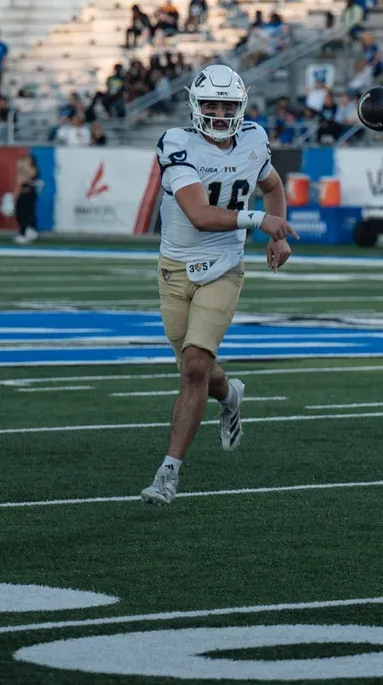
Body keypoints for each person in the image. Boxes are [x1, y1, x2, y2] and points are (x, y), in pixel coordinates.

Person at [141, 63, 298, 507]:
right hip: (174, 271)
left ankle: (168, 473)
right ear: (194, 105)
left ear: (240, 107)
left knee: (193, 367)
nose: (217, 112)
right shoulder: (177, 143)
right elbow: (200, 215)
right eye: (210, 103)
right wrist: (262, 220)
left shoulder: (253, 139)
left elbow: (272, 183)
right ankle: (229, 395)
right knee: (199, 372)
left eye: (226, 105)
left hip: (225, 268)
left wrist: (277, 235)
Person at [14, 152, 41, 244]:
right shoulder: (20, 173)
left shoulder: (33, 170)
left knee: (27, 215)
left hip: (29, 195)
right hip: (21, 195)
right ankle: (22, 232)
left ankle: (26, 233)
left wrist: (23, 165)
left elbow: (31, 175)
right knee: (19, 215)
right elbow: (17, 184)